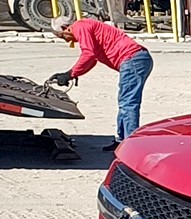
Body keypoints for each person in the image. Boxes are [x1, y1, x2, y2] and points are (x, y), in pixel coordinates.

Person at [47, 17, 153, 152]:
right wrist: (72, 73)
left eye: (63, 37)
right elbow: (93, 60)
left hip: (133, 60)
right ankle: (122, 141)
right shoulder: (86, 26)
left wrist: (70, 74)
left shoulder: (80, 27)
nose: (68, 41)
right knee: (124, 102)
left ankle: (131, 147)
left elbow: (88, 54)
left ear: (65, 28)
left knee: (128, 104)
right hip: (136, 60)